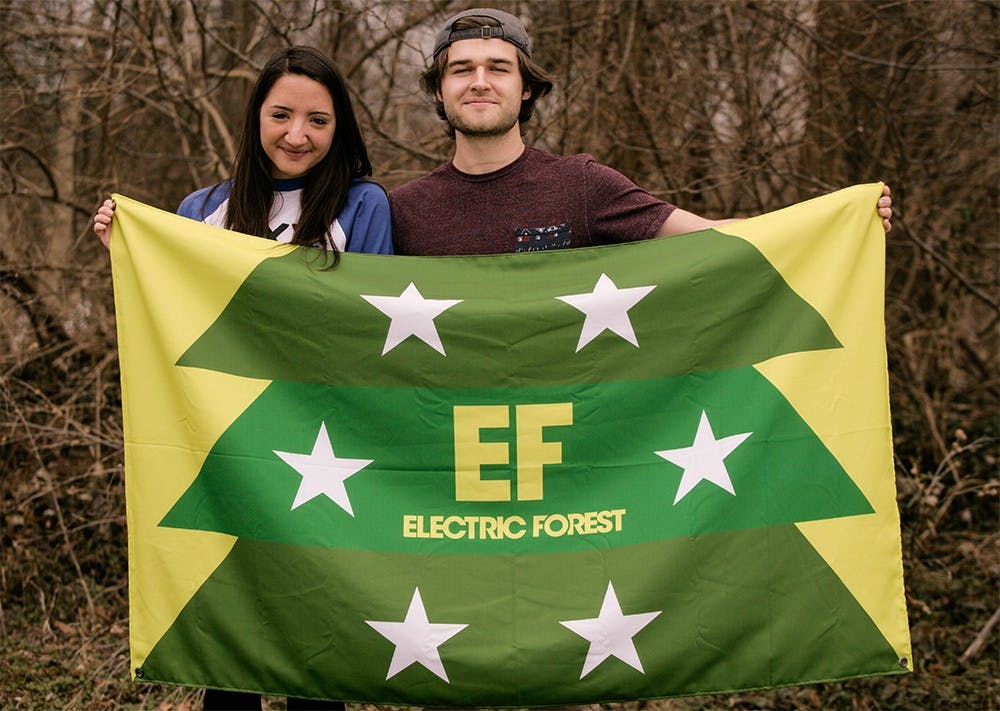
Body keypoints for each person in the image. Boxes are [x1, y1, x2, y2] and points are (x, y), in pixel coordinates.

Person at [93, 45, 391, 711]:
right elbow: (170, 328)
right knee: (229, 660)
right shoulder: (200, 208)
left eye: (317, 120)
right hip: (228, 457)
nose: (297, 134)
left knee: (319, 658)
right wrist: (130, 253)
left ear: (339, 127)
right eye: (281, 114)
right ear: (254, 117)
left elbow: (370, 338)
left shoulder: (364, 206)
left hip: (324, 458)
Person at [390, 7, 892, 256]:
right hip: (446, 442)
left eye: (498, 68)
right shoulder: (401, 212)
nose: (479, 83)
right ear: (439, 90)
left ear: (526, 89)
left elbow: (717, 240)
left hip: (570, 437)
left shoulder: (583, 186)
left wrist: (839, 223)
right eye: (461, 70)